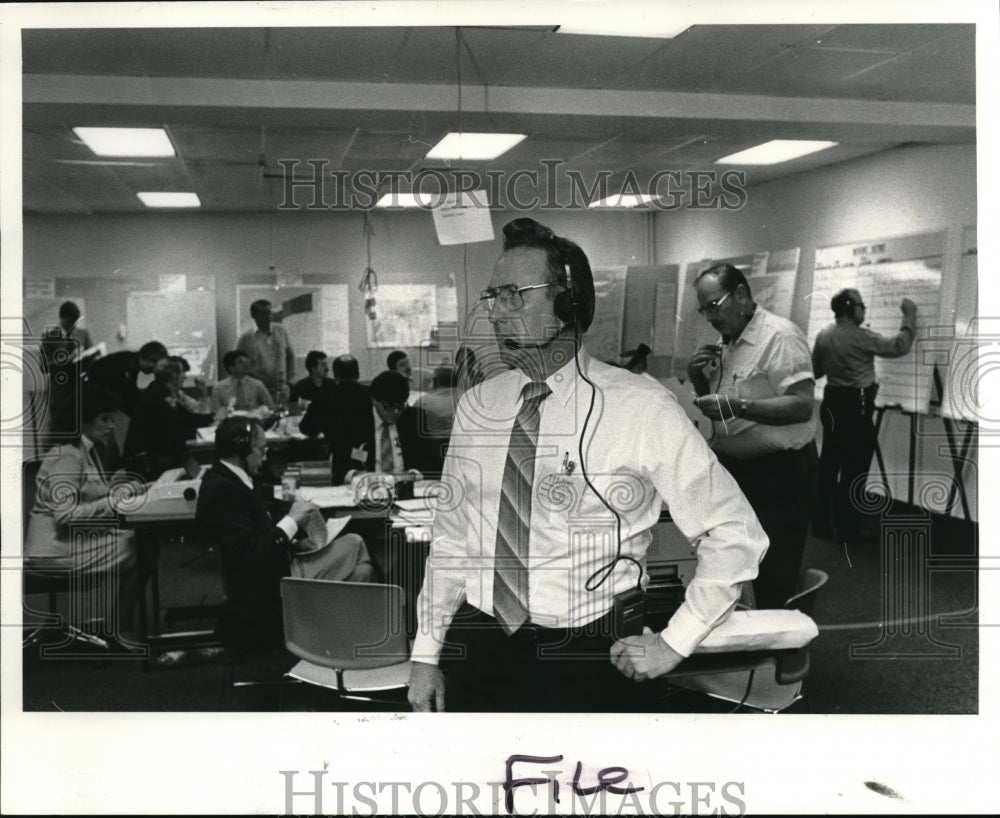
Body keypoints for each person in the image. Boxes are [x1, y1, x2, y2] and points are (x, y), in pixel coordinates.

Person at [408, 218, 768, 713]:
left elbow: (735, 532)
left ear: (567, 303)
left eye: (513, 294)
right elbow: (451, 539)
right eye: (492, 298)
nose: (494, 313)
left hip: (588, 653)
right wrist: (426, 653)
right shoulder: (478, 407)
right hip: (481, 645)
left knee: (586, 789)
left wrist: (674, 641)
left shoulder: (640, 406)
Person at [687, 263, 817, 610]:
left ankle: (774, 656)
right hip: (740, 472)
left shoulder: (780, 337)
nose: (710, 317)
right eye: (704, 309)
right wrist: (698, 379)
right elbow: (722, 413)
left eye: (714, 305)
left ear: (742, 295)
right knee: (743, 565)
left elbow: (802, 405)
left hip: (779, 475)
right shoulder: (728, 341)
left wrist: (739, 405)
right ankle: (753, 649)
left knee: (774, 569)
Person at [195, 417, 374, 653]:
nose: (265, 454)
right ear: (242, 449)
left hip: (274, 569)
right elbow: (250, 554)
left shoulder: (227, 479)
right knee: (355, 543)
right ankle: (341, 638)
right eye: (261, 448)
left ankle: (335, 637)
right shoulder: (223, 490)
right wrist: (292, 520)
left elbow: (256, 534)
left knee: (363, 571)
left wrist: (295, 537)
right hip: (269, 584)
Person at [25, 385, 148, 646]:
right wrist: (113, 500)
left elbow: (88, 495)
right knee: (142, 545)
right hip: (52, 550)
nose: (112, 425)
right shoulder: (69, 457)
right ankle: (120, 628)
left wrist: (117, 489)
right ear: (82, 422)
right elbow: (66, 514)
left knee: (140, 541)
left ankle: (118, 626)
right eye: (105, 419)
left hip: (62, 542)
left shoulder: (81, 451)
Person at [811, 289, 917, 542]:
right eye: (861, 305)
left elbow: (815, 371)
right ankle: (848, 530)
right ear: (851, 308)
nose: (864, 309)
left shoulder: (824, 335)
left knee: (829, 464)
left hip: (832, 402)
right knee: (855, 470)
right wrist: (909, 316)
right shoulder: (862, 336)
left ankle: (821, 524)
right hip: (856, 408)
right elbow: (899, 346)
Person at [329, 370, 438, 485]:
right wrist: (358, 475)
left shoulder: (413, 418)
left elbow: (432, 461)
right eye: (389, 407)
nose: (396, 412)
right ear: (374, 400)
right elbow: (339, 467)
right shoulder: (352, 422)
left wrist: (413, 475)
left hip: (405, 489)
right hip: (368, 489)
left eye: (401, 406)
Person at [123, 358, 213, 479]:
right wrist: (206, 432)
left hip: (159, 456)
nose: (185, 377)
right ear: (174, 376)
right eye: (182, 373)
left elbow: (185, 419)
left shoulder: (160, 391)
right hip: (151, 463)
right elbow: (178, 431)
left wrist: (209, 420)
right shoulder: (159, 397)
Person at [39, 301, 94, 436]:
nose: (72, 326)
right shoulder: (49, 337)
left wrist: (87, 357)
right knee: (60, 432)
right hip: (59, 393)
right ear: (62, 319)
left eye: (75, 322)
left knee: (80, 430)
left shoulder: (83, 334)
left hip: (79, 390)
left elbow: (91, 357)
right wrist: (67, 359)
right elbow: (44, 366)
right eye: (69, 322)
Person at [299, 354, 371, 451]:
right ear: (358, 373)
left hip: (339, 455)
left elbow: (307, 428)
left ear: (335, 375)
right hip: (366, 454)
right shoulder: (371, 395)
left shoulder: (324, 397)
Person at [84, 340, 168, 417]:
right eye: (155, 366)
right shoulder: (129, 364)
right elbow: (127, 394)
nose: (154, 371)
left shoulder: (130, 359)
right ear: (148, 359)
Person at [236, 299, 296, 403]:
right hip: (257, 391)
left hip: (281, 389)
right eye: (263, 313)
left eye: (269, 312)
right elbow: (238, 366)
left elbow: (290, 356)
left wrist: (290, 382)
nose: (268, 316)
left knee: (281, 416)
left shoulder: (281, 331)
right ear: (254, 316)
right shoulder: (245, 339)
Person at [412, 365, 459, 462]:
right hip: (463, 449)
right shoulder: (467, 398)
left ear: (436, 381)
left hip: (433, 452)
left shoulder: (423, 401)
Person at [210, 350, 275, 420]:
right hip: (229, 424)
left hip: (254, 423)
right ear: (231, 367)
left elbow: (270, 407)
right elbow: (215, 412)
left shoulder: (257, 384)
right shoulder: (219, 388)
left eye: (247, 362)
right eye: (240, 362)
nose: (246, 365)